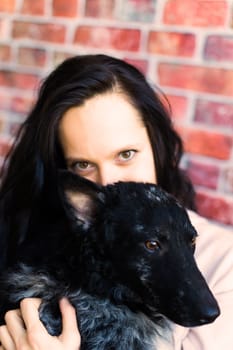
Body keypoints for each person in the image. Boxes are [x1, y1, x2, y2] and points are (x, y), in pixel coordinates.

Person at [0, 54, 232, 350]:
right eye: (83, 164)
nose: (108, 182)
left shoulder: (224, 262)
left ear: (157, 146)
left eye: (125, 154)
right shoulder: (33, 250)